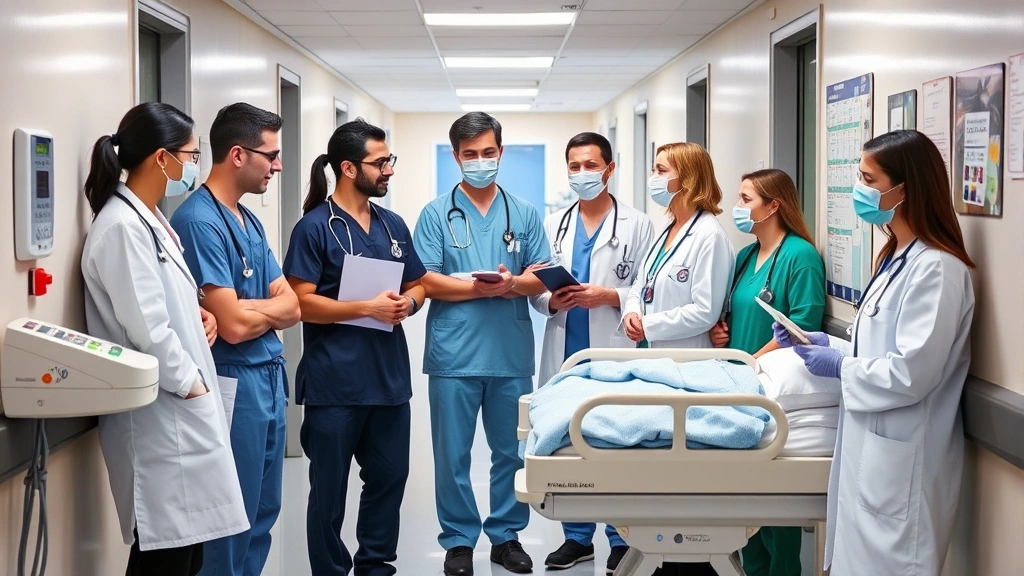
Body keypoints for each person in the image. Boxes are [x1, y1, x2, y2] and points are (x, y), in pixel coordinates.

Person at [777, 130, 975, 576]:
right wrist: (829, 345)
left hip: (904, 460)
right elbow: (882, 349)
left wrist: (842, 365)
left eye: (869, 178)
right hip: (875, 449)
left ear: (905, 188)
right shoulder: (895, 255)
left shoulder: (938, 268)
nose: (859, 189)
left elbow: (911, 373)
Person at [81, 102, 248, 576]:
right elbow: (149, 330)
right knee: (165, 556)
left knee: (187, 555)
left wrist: (197, 316)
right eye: (191, 155)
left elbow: (160, 303)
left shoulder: (150, 220)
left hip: (177, 411)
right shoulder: (120, 227)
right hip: (161, 421)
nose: (194, 166)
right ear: (162, 158)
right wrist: (191, 384)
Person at [283, 119, 426, 576]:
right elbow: (300, 302)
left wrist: (409, 302)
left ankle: (374, 566)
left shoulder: (393, 225)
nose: (389, 170)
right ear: (347, 168)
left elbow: (419, 283)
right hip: (335, 383)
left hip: (387, 381)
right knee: (328, 492)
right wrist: (364, 307)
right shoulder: (314, 228)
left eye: (390, 160)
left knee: (389, 478)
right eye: (380, 162)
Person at [413, 112, 550, 576]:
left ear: (500, 153)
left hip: (510, 353)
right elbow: (425, 279)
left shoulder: (524, 212)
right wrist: (480, 288)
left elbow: (541, 276)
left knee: (509, 452)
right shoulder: (436, 213)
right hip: (454, 354)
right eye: (469, 154)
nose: (480, 161)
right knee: (452, 455)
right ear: (456, 157)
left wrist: (513, 283)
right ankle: (457, 541)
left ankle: (507, 537)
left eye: (488, 153)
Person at [169, 103, 300, 576]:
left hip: (267, 377)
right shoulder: (199, 221)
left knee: (263, 512)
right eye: (272, 154)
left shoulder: (249, 220)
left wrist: (245, 310)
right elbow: (234, 328)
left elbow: (293, 307)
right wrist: (253, 313)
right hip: (232, 382)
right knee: (230, 517)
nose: (279, 165)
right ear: (239, 155)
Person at [530, 132, 654, 573]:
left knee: (617, 438)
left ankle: (621, 536)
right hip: (566, 344)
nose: (581, 174)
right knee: (569, 440)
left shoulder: (638, 225)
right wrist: (551, 301)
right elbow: (537, 288)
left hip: (613, 346)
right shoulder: (554, 224)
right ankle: (577, 538)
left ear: (609, 169)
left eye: (590, 165)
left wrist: (612, 296)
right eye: (574, 166)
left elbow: (646, 288)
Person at [709, 169, 825, 576]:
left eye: (746, 199)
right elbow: (731, 313)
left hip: (774, 392)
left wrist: (753, 360)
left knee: (777, 511)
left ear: (774, 205)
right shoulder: (744, 257)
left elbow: (804, 325)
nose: (738, 208)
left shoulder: (800, 255)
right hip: (740, 387)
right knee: (747, 512)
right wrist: (719, 331)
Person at [622, 142, 734, 350]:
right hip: (652, 351)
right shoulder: (669, 227)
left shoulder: (709, 235)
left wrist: (648, 324)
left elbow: (704, 311)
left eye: (661, 171)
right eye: (654, 170)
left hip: (686, 359)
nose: (653, 178)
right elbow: (643, 281)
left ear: (688, 179)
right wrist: (631, 311)